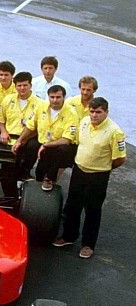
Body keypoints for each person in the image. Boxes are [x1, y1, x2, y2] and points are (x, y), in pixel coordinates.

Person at [53, 97, 126, 259]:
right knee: (73, 205)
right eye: (92, 111)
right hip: (79, 171)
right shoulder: (84, 121)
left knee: (92, 210)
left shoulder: (115, 132)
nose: (94, 115)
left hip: (98, 176)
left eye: (98, 112)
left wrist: (104, 168)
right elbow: (78, 142)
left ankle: (88, 244)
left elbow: (120, 159)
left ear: (106, 112)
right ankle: (69, 236)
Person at [14, 85, 78, 191]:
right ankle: (23, 174)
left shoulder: (72, 113)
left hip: (58, 145)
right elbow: (30, 126)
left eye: (58, 97)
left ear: (64, 97)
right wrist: (19, 141)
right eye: (52, 97)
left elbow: (66, 140)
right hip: (42, 140)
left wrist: (46, 145)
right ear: (48, 97)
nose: (55, 100)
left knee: (64, 150)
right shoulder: (41, 106)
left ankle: (50, 178)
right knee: (30, 145)